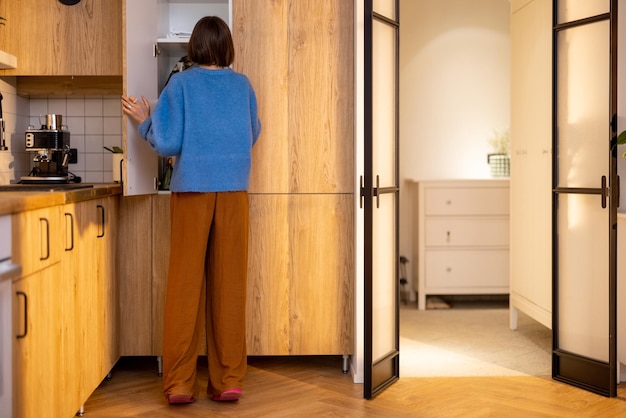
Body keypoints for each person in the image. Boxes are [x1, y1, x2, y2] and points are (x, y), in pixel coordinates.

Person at [121, 15, 261, 405]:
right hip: (234, 192)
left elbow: (167, 142)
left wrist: (145, 121)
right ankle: (229, 379)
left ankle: (181, 383)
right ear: (227, 47)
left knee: (185, 286)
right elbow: (253, 132)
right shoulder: (243, 86)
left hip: (193, 191)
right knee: (229, 286)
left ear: (194, 46)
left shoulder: (181, 84)